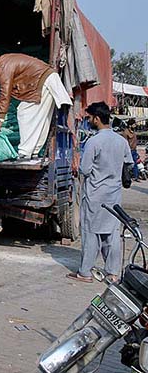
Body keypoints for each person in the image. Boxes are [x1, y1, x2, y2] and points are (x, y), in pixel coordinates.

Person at [67, 102, 133, 283]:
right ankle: (112, 273)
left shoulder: (93, 142)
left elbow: (85, 169)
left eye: (89, 118)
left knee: (90, 232)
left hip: (95, 194)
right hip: (114, 195)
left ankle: (85, 272)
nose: (88, 121)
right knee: (112, 233)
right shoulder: (121, 141)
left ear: (96, 118)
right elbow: (129, 164)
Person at [0, 49, 72, 159]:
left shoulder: (3, 67)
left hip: (42, 81)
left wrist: (1, 118)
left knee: (24, 112)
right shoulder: (5, 60)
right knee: (42, 117)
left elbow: (5, 92)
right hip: (45, 79)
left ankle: (24, 152)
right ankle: (35, 150)